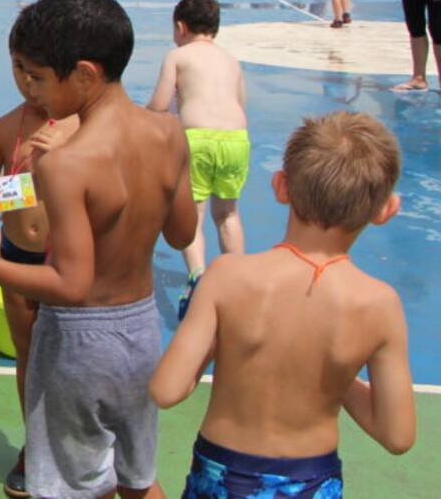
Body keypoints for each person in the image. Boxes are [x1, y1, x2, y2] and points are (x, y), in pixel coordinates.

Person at [0, 0, 197, 499]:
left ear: (86, 74)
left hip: (79, 341)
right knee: (137, 478)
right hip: (140, 332)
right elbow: (183, 233)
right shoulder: (170, 132)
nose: (32, 89)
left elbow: (70, 284)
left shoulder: (68, 163)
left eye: (41, 77)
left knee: (68, 486)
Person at [150, 112, 416, 497]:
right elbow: (397, 435)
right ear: (385, 209)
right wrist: (336, 379)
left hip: (221, 478)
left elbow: (166, 389)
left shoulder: (227, 277)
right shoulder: (378, 304)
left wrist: (221, 344)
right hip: (310, 482)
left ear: (281, 186)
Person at [0, 50, 79, 497]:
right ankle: (36, 447)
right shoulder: (4, 127)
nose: (29, 84)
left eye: (38, 74)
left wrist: (66, 157)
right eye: (19, 71)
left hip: (67, 260)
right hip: (17, 258)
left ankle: (76, 443)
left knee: (73, 359)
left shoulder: (78, 124)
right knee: (28, 358)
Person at [148, 0, 248, 320]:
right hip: (236, 139)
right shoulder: (231, 60)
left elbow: (161, 105)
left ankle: (198, 277)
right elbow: (240, 102)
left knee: (196, 213)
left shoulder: (178, 56)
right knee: (228, 213)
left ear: (181, 27)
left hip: (197, 138)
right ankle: (236, 283)